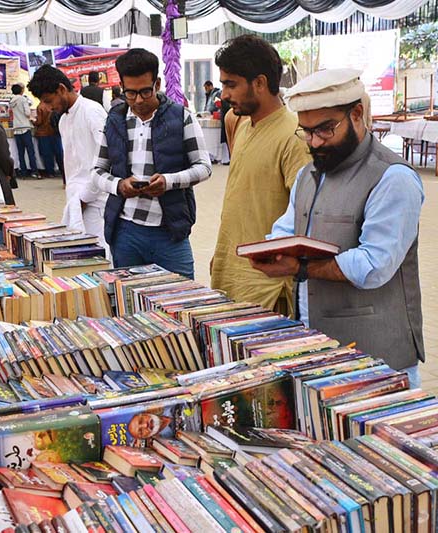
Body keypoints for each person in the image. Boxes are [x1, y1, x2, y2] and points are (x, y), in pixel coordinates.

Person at [251, 69, 425, 385]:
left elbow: (374, 266)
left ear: (356, 114)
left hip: (379, 361)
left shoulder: (393, 178)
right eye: (305, 131)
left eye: (325, 129)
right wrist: (274, 249)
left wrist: (301, 267)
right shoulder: (307, 175)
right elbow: (285, 227)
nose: (314, 141)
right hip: (316, 349)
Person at [210, 35, 311, 313]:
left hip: (267, 289)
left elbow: (305, 215)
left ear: (260, 83)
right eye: (222, 85)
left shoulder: (294, 136)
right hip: (230, 274)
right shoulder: (241, 123)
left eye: (231, 84)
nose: (224, 95)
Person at [91, 49, 211, 277]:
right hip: (125, 231)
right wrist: (119, 186)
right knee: (129, 300)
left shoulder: (181, 117)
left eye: (145, 92)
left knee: (181, 297)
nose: (138, 100)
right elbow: (97, 171)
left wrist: (169, 181)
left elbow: (204, 167)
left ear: (157, 83)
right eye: (130, 93)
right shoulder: (115, 120)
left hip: (170, 229)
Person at [28, 66, 108, 250]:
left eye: (49, 101)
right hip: (76, 201)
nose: (48, 107)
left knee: (101, 258)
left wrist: (85, 197)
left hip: (96, 203)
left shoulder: (92, 111)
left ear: (62, 89)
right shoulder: (63, 119)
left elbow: (106, 160)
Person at [9, 84, 38, 178]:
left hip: (16, 128)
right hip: (25, 127)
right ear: (21, 90)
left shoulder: (11, 101)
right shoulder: (23, 99)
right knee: (30, 152)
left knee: (20, 153)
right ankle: (34, 172)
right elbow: (27, 113)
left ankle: (23, 173)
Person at [34, 101, 63, 178]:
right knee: (59, 153)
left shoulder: (41, 107)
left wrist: (33, 121)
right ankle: (62, 170)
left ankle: (50, 172)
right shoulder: (55, 104)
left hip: (43, 133)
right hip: (56, 132)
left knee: (47, 154)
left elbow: (39, 121)